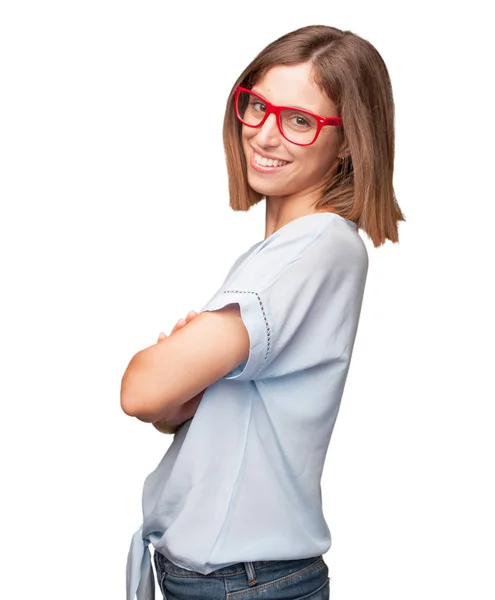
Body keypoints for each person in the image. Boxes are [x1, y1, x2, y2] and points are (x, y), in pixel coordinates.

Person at [121, 24, 405, 600]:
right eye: (257, 106)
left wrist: (172, 366)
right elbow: (170, 411)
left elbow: (140, 391)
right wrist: (179, 384)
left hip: (242, 583)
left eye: (300, 121)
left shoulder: (315, 248)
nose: (266, 136)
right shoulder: (279, 254)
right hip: (229, 579)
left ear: (349, 141)